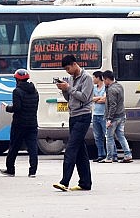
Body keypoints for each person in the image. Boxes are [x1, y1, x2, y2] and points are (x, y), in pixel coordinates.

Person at [52, 54, 94, 192]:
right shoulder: (70, 78)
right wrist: (64, 90)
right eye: (65, 69)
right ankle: (85, 183)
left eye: (68, 68)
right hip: (73, 116)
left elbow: (84, 97)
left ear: (75, 64)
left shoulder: (87, 77)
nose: (67, 71)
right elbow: (70, 97)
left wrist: (69, 88)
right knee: (81, 151)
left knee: (71, 148)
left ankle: (65, 181)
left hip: (83, 116)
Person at [0, 68, 40, 177]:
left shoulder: (17, 91)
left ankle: (10, 169)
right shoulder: (35, 91)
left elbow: (17, 108)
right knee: (32, 148)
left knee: (14, 147)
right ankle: (32, 171)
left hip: (19, 124)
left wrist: (6, 107)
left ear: (17, 80)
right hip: (32, 123)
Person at [103, 70, 134, 163]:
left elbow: (113, 105)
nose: (104, 82)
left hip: (114, 117)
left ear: (107, 79)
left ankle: (109, 157)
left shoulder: (111, 90)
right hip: (122, 115)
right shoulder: (119, 86)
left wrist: (109, 119)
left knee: (109, 137)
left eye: (104, 80)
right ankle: (128, 155)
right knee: (121, 136)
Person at [91, 71, 108, 162]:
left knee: (107, 135)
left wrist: (96, 99)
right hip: (95, 114)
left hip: (104, 114)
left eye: (94, 77)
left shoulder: (105, 87)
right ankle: (101, 154)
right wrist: (99, 98)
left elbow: (105, 99)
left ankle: (111, 154)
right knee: (97, 137)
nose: (93, 79)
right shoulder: (94, 88)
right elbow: (90, 98)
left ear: (98, 78)